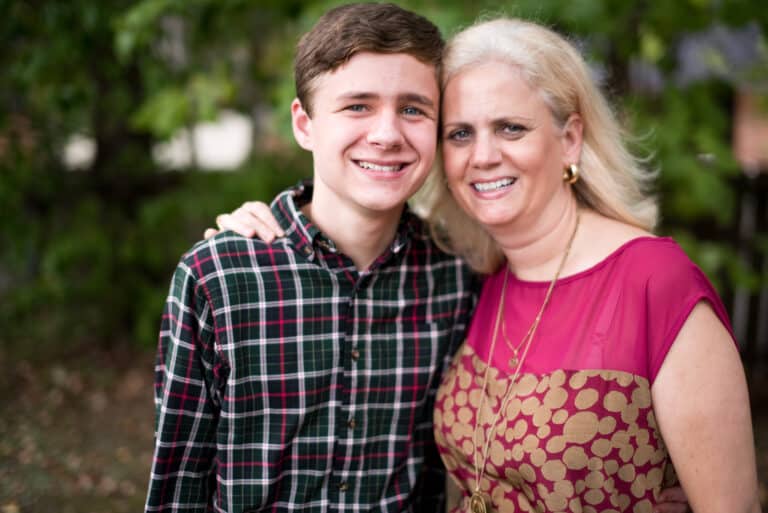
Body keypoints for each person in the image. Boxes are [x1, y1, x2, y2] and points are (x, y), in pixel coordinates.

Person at [209, 13, 762, 513]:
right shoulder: (474, 275)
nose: (484, 155)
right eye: (460, 134)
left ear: (569, 138)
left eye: (510, 128)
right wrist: (259, 225)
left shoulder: (655, 283)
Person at [145, 4, 478, 512]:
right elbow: (179, 480)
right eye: (357, 106)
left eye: (413, 108)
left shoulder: (454, 276)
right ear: (304, 124)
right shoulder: (219, 277)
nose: (387, 134)